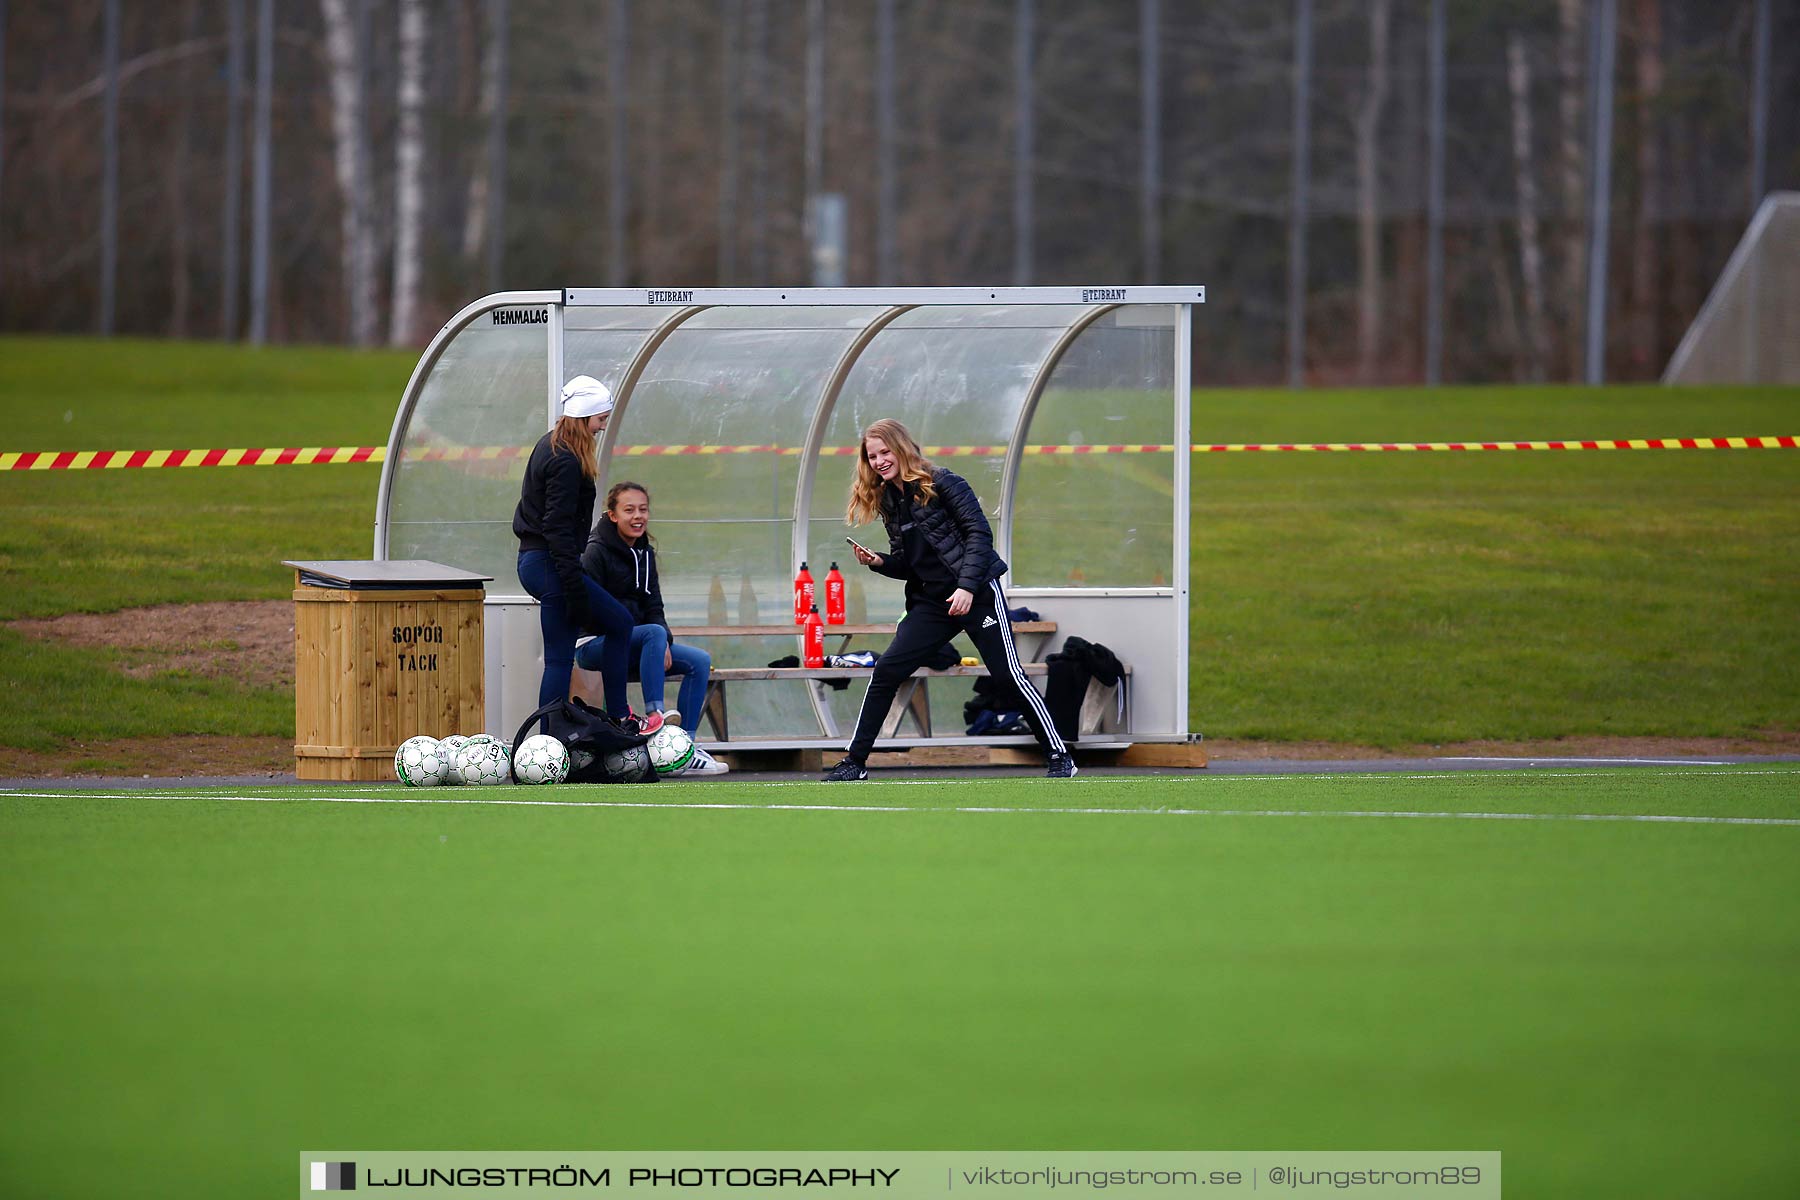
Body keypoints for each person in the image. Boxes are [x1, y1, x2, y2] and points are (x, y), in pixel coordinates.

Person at [823, 418, 1075, 781]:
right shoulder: (890, 501)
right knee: (887, 670)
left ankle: (1058, 754)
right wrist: (879, 562)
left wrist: (968, 588)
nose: (878, 461)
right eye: (872, 456)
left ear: (902, 447)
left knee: (1008, 675)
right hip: (932, 604)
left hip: (977, 595)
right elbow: (910, 563)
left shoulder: (945, 482)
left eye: (884, 452)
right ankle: (854, 763)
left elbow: (979, 534)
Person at [512, 375, 662, 737]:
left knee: (564, 654)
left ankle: (554, 735)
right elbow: (558, 528)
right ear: (584, 417)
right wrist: (574, 585)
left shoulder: (550, 445)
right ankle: (610, 718)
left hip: (539, 561)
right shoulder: (564, 459)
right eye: (600, 419)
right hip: (548, 562)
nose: (602, 426)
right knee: (611, 627)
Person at [575, 481, 729, 776]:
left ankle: (682, 749)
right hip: (594, 644)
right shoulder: (595, 552)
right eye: (629, 510)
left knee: (699, 661)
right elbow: (586, 608)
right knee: (653, 634)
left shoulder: (646, 553)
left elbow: (654, 606)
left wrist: (664, 643)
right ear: (612, 515)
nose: (638, 517)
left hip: (639, 642)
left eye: (643, 510)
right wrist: (652, 638)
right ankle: (655, 715)